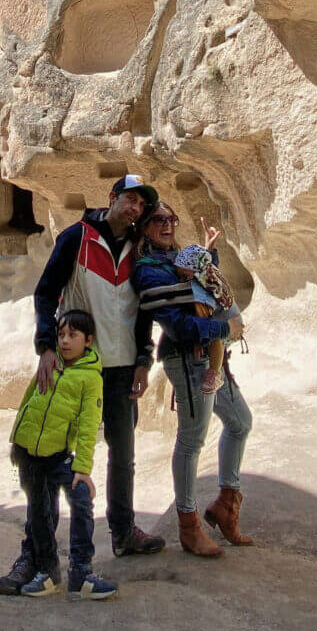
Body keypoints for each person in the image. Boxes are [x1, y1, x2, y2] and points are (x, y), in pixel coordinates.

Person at [0, 175, 165, 596]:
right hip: (76, 368)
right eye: (130, 200)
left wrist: (145, 359)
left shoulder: (139, 250)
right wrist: (46, 346)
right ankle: (37, 554)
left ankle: (123, 533)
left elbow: (143, 310)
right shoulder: (77, 237)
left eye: (141, 205)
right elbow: (45, 294)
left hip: (123, 369)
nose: (135, 209)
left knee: (122, 455)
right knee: (50, 459)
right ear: (112, 198)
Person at [132, 203, 254, 558]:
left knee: (240, 422)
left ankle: (226, 505)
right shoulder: (149, 270)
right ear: (145, 227)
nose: (168, 225)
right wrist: (225, 327)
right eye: (159, 220)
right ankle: (188, 526)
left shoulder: (174, 259)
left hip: (212, 356)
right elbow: (179, 324)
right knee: (191, 440)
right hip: (187, 359)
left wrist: (209, 252)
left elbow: (200, 280)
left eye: (172, 219)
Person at [8, 309, 118, 600]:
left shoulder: (90, 377)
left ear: (88, 340)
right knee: (39, 513)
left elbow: (88, 423)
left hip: (58, 455)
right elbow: (29, 398)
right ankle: (48, 573)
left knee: (81, 500)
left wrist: (82, 466)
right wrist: (15, 441)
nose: (66, 341)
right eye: (61, 334)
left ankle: (81, 574)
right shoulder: (51, 361)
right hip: (29, 453)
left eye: (73, 335)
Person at [173, 243, 238, 395]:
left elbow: (205, 320)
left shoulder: (202, 287)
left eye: (184, 276)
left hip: (224, 319)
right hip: (225, 314)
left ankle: (214, 374)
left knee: (215, 338)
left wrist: (199, 341)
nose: (181, 279)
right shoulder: (205, 271)